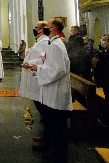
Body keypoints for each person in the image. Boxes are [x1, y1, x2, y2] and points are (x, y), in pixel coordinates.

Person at [29, 19, 72, 162]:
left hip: (56, 91)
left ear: (53, 28)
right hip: (54, 90)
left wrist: (38, 69)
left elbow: (58, 70)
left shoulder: (56, 45)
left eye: (47, 27)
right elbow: (49, 62)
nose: (45, 29)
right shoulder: (54, 44)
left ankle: (59, 156)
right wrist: (37, 64)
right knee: (55, 124)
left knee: (58, 126)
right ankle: (56, 151)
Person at [20, 21, 49, 149]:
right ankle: (46, 136)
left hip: (40, 79)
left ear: (41, 30)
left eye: (36, 28)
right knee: (43, 112)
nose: (34, 30)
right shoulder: (41, 41)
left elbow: (45, 59)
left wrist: (30, 63)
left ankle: (49, 140)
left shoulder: (45, 42)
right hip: (36, 77)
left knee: (45, 112)